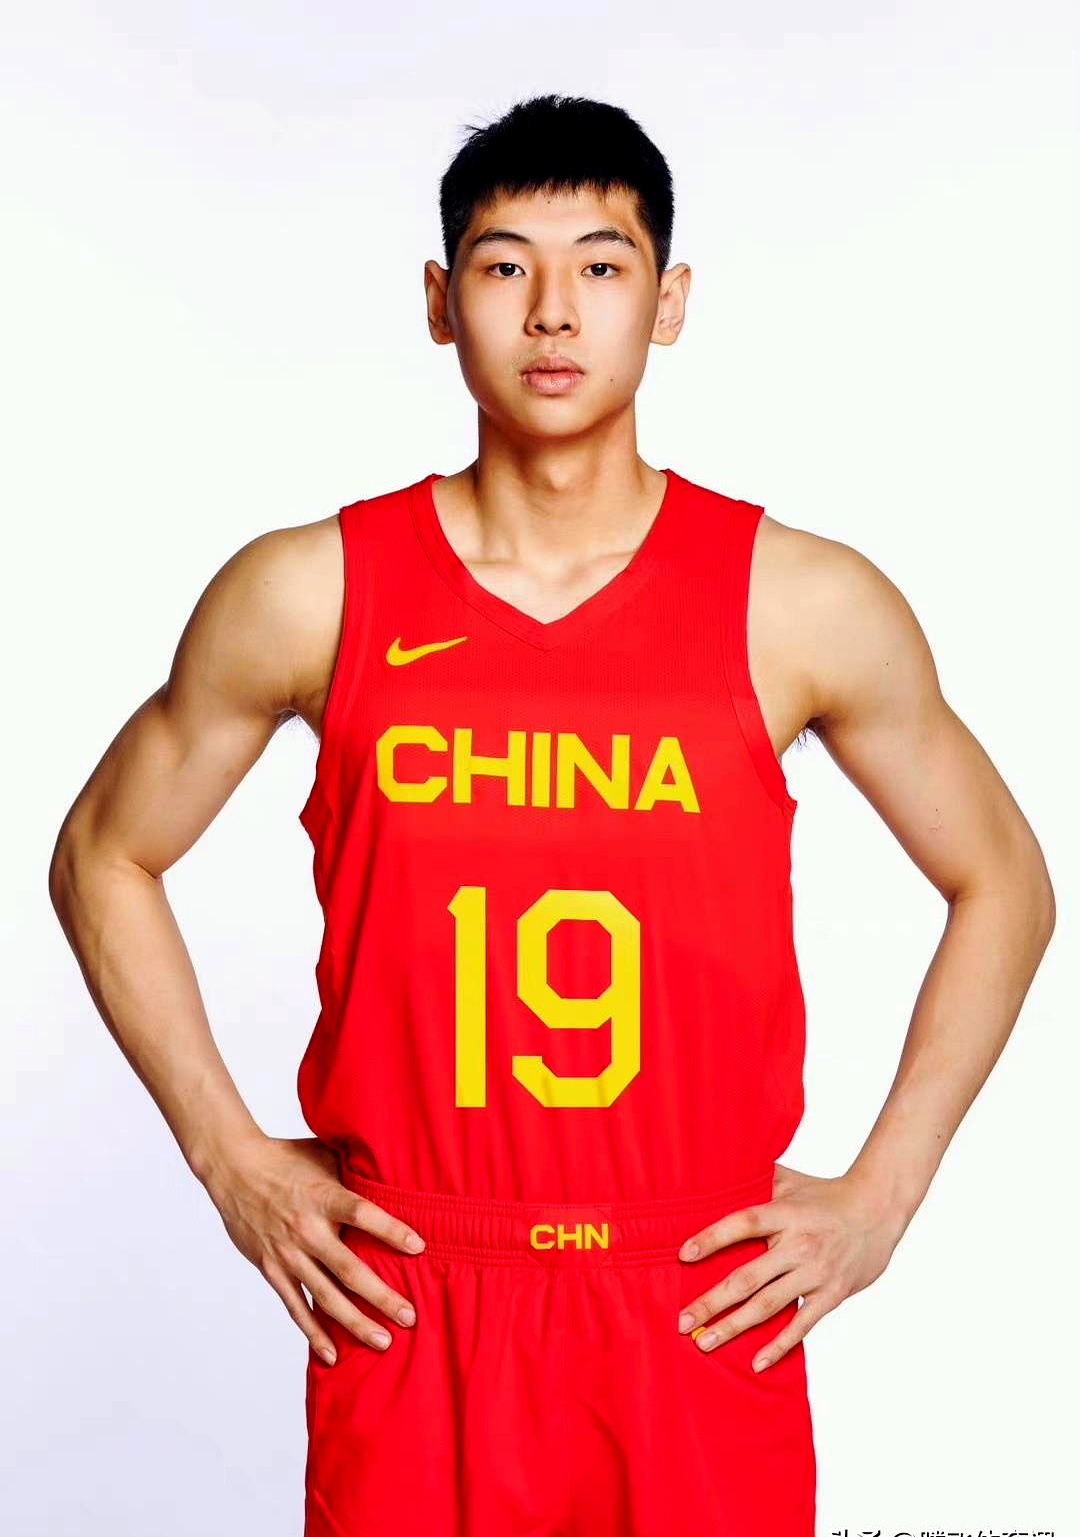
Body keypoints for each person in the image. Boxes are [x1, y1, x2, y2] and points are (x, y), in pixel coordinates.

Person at [49, 92, 1056, 1537]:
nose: (553, 312)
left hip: (692, 1294)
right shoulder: (312, 590)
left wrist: (881, 1198)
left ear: (670, 301)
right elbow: (103, 853)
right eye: (505, 265)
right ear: (440, 303)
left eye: (601, 264)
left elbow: (1006, 879)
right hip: (416, 1285)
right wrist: (231, 1159)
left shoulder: (798, 602)